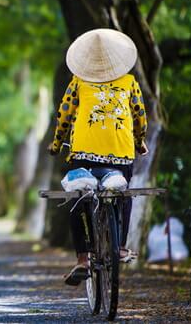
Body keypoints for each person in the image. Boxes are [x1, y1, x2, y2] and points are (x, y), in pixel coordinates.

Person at [48, 28, 149, 286]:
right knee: (123, 196)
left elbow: (64, 115)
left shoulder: (78, 82)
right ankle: (121, 246)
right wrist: (140, 142)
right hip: (121, 155)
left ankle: (83, 258)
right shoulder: (129, 82)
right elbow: (139, 116)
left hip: (84, 155)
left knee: (78, 198)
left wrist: (57, 143)